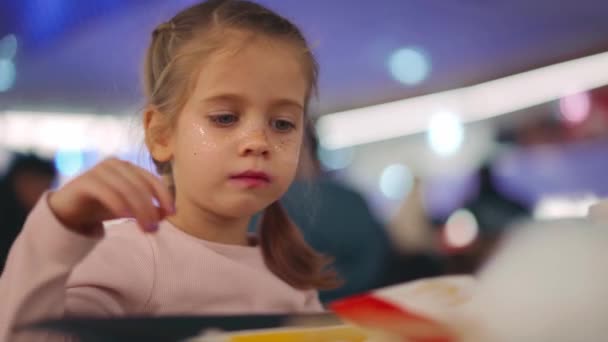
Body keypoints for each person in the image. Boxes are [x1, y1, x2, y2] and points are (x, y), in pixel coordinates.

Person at [0, 1, 340, 340]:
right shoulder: (127, 256)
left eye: (283, 123)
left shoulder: (292, 281)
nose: (258, 142)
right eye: (224, 117)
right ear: (161, 134)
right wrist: (59, 224)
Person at [0, 153, 56, 274]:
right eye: (39, 186)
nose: (42, 196)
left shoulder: (32, 215)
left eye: (48, 187)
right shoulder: (7, 216)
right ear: (21, 180)